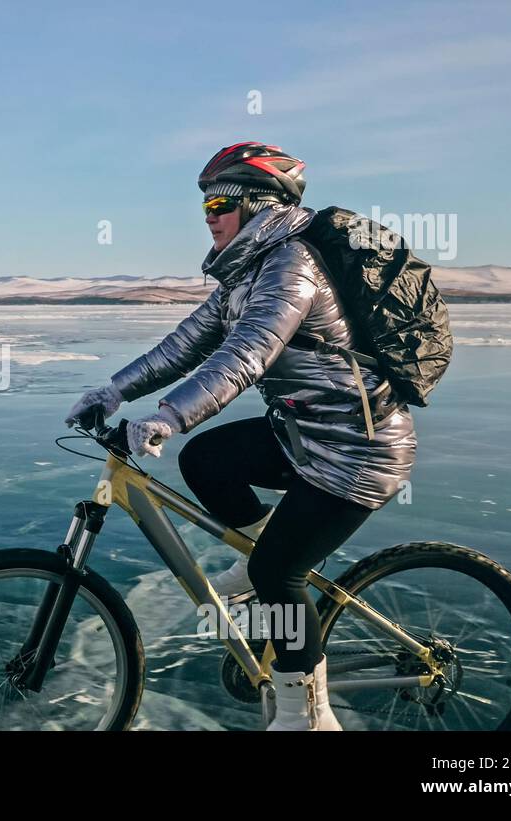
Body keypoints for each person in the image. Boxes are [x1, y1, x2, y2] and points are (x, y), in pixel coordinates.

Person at [64, 142, 416, 730]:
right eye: (203, 207)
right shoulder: (243, 274)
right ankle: (264, 560)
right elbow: (185, 345)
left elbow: (245, 355)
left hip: (359, 446)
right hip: (305, 434)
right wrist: (115, 389)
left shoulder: (290, 267)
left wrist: (168, 417)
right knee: (207, 460)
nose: (209, 216)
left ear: (258, 204)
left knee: (280, 574)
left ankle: (308, 714)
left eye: (219, 203)